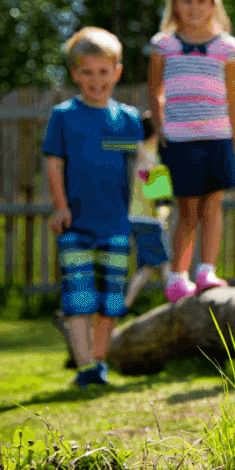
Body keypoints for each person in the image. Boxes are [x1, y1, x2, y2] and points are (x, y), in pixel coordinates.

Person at [44, 27, 143, 389]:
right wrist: (60, 207)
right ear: (75, 74)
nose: (96, 80)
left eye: (103, 72)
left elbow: (147, 164)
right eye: (87, 72)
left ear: (116, 72)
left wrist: (158, 207)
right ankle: (85, 367)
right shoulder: (65, 116)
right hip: (76, 225)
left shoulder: (127, 120)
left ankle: (98, 362)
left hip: (116, 224)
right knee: (79, 297)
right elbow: (54, 163)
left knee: (110, 300)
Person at [148, 0, 235, 303]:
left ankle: (207, 270)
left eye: (201, 1)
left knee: (213, 206)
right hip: (180, 140)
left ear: (213, 4)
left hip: (218, 137)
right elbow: (154, 91)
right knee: (186, 209)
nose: (193, 8)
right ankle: (177, 277)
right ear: (174, 5)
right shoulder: (164, 45)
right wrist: (161, 129)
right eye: (186, 1)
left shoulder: (227, 48)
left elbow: (234, 95)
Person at [126, 112, 173, 307]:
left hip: (137, 218)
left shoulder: (142, 154)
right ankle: (178, 303)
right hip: (150, 220)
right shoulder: (149, 157)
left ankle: (123, 305)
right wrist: (163, 210)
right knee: (166, 264)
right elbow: (158, 192)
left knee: (145, 269)